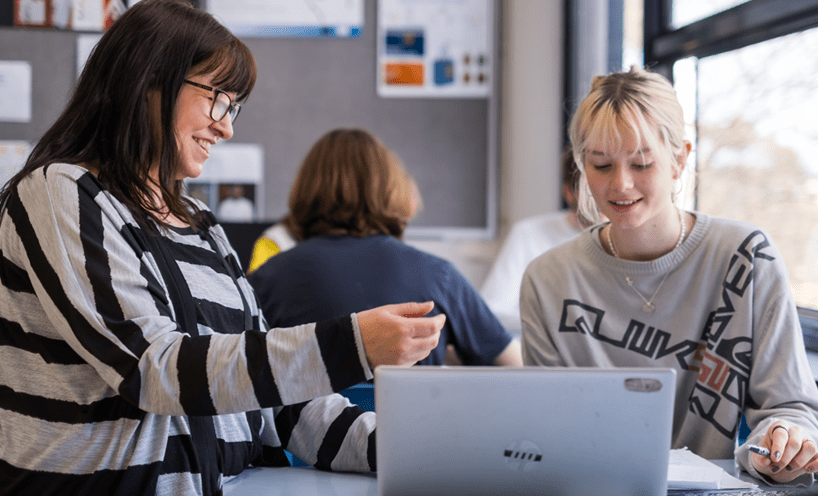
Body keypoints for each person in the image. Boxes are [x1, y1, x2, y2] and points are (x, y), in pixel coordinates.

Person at [0, 2, 445, 495]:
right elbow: (155, 370)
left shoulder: (199, 222)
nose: (226, 127)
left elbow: (277, 403)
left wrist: (419, 446)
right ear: (149, 82)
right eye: (218, 100)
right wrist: (349, 345)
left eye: (234, 107)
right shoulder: (61, 192)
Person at [520, 66, 818, 485]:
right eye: (601, 165)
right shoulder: (546, 278)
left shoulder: (747, 258)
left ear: (679, 159)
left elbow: (790, 409)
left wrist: (784, 441)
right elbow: (540, 430)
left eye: (641, 163)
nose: (621, 185)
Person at [249, 128, 522, 367]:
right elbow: (515, 366)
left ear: (303, 191)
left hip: (307, 428)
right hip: (409, 426)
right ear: (391, 191)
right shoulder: (438, 275)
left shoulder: (268, 279)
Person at [480, 145, 589, 334]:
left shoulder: (628, 242)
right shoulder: (528, 234)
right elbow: (492, 310)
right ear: (568, 192)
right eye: (589, 191)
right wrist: (557, 321)